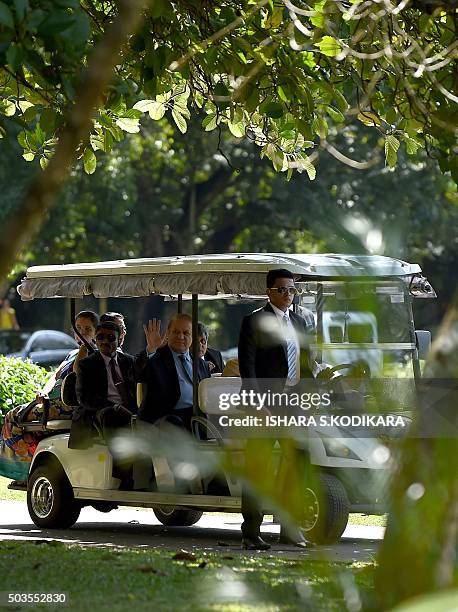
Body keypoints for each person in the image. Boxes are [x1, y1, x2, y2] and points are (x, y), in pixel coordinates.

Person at [237, 268, 320, 550]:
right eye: (282, 289)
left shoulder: (299, 321)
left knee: (299, 462)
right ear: (269, 291)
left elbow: (306, 365)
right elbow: (247, 367)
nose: (288, 295)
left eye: (292, 290)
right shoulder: (254, 321)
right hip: (265, 404)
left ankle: (289, 527)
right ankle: (251, 533)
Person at [0, 310, 99, 484]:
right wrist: (44, 392)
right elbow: (55, 376)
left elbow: (78, 372)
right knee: (14, 417)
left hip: (69, 405)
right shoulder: (71, 354)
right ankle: (28, 469)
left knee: (12, 417)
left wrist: (85, 347)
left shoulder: (93, 354)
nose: (82, 333)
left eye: (87, 329)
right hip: (51, 401)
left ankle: (25, 472)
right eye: (78, 328)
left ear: (95, 332)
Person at [72, 319, 162, 488]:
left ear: (119, 339)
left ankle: (156, 476)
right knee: (112, 416)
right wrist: (112, 406)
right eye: (100, 337)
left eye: (110, 338)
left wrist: (151, 348)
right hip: (100, 411)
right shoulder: (87, 364)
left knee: (155, 416)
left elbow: (141, 369)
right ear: (95, 340)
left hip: (128, 410)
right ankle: (124, 477)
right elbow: (84, 398)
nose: (105, 342)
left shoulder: (127, 361)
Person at [138, 313, 211, 431]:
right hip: (164, 419)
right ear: (168, 333)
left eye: (186, 333)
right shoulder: (157, 358)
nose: (180, 337)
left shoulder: (201, 364)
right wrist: (151, 349)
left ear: (192, 337)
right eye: (176, 332)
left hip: (196, 418)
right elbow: (139, 374)